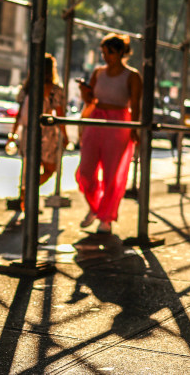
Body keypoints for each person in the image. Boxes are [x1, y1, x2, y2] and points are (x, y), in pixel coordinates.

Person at [76, 33, 142, 234]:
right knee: (85, 172)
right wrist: (84, 92)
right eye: (103, 53)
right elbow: (91, 99)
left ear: (121, 52)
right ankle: (95, 207)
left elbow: (136, 105)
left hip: (119, 122)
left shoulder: (132, 76)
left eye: (109, 53)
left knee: (112, 174)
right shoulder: (98, 72)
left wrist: (135, 129)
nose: (105, 57)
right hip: (96, 118)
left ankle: (106, 217)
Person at [8, 53, 68, 209]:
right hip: (47, 133)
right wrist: (65, 135)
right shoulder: (54, 90)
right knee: (50, 169)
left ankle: (26, 196)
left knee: (30, 168)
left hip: (28, 132)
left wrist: (13, 135)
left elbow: (19, 114)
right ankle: (27, 193)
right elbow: (60, 116)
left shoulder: (28, 88)